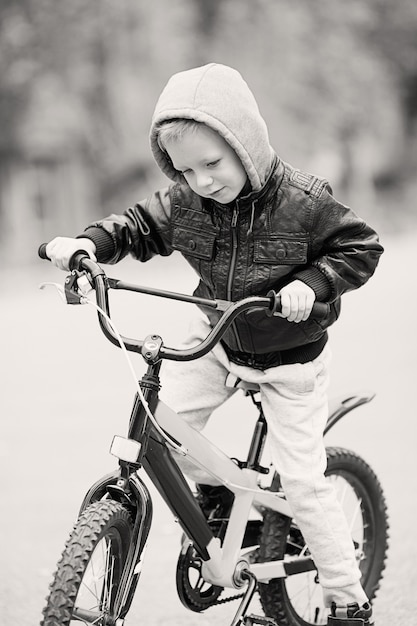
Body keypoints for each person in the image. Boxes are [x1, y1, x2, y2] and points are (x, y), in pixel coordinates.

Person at [45, 63, 383, 625]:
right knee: (159, 428)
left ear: (245, 145)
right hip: (218, 338)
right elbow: (136, 225)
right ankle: (225, 498)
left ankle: (349, 597)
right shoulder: (186, 202)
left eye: (212, 164)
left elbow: (360, 247)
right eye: (185, 170)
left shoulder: (303, 201)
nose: (201, 181)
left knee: (304, 483)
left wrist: (311, 284)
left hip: (289, 356)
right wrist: (87, 244)